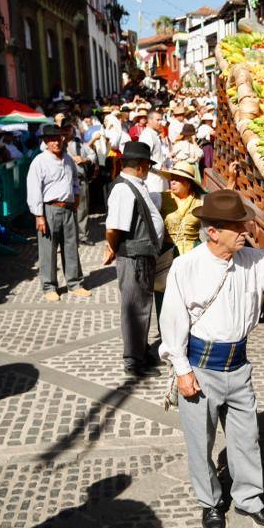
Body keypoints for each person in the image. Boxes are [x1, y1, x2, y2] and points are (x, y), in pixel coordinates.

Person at [159, 189, 264, 528]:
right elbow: (172, 321)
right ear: (214, 231)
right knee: (200, 442)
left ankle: (249, 499)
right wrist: (182, 370)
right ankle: (210, 502)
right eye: (236, 227)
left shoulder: (252, 260)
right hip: (200, 369)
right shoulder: (186, 267)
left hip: (239, 367)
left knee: (246, 437)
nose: (244, 231)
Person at [104, 141, 164, 378]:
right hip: (134, 257)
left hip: (141, 255)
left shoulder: (134, 185)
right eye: (148, 165)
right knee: (134, 308)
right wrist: (111, 248)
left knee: (141, 306)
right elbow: (113, 228)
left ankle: (139, 349)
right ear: (141, 166)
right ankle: (133, 361)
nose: (148, 169)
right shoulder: (123, 189)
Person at [26, 124, 90, 302]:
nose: (56, 142)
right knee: (48, 249)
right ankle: (49, 286)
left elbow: (75, 178)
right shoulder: (39, 161)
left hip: (68, 208)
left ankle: (75, 283)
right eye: (52, 139)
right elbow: (34, 190)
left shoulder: (68, 159)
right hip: (49, 209)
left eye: (58, 138)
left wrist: (76, 194)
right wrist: (39, 215)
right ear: (46, 142)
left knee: (71, 247)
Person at [153, 160, 204, 320]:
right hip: (167, 252)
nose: (172, 182)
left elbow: (221, 207)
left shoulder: (200, 202)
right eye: (172, 178)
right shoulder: (161, 198)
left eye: (177, 179)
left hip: (192, 253)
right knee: (164, 293)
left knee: (190, 297)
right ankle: (166, 334)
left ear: (188, 184)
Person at [137, 111, 169, 194]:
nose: (160, 122)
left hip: (159, 176)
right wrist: (160, 166)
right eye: (158, 120)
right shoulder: (147, 135)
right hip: (152, 178)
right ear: (150, 120)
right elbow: (144, 156)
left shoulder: (154, 134)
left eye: (161, 120)